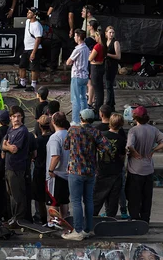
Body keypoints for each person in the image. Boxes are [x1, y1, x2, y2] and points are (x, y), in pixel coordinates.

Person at [61, 108, 109, 240]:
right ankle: (87, 229)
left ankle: (77, 231)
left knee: (76, 201)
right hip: (90, 171)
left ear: (81, 118)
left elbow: (65, 146)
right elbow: (107, 147)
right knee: (88, 200)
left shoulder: (73, 130)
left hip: (75, 171)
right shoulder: (95, 132)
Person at [126, 105, 163, 223]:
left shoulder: (133, 130)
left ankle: (135, 218)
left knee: (134, 197)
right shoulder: (153, 130)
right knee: (147, 197)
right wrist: (154, 150)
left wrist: (134, 153)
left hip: (135, 169)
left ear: (135, 118)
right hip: (148, 168)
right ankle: (146, 219)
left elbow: (130, 145)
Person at [93, 112, 126, 218]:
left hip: (102, 170)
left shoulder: (101, 135)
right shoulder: (121, 140)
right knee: (113, 199)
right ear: (121, 125)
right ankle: (110, 218)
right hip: (116, 171)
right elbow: (122, 156)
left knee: (97, 197)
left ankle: (91, 217)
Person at [2, 105, 29, 228]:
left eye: (18, 116)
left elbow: (13, 149)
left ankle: (19, 220)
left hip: (17, 168)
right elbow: (3, 144)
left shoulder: (22, 131)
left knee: (18, 195)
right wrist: (6, 147)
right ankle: (13, 218)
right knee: (11, 194)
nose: (16, 119)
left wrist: (6, 147)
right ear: (10, 118)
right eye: (14, 116)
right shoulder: (10, 130)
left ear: (22, 117)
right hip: (8, 167)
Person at [47, 0, 78, 71]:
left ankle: (53, 66)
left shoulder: (56, 0)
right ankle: (68, 64)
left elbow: (48, 12)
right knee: (69, 45)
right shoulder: (71, 3)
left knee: (55, 47)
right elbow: (70, 17)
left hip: (54, 27)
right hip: (64, 27)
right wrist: (71, 28)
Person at [16, 7, 43, 92]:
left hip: (34, 48)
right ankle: (22, 83)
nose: (28, 13)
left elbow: (38, 39)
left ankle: (33, 85)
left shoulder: (37, 25)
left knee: (33, 68)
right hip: (26, 48)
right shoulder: (27, 22)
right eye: (28, 12)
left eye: (30, 12)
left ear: (34, 15)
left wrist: (33, 53)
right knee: (22, 65)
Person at [67, 30, 89, 125]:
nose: (74, 38)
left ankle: (75, 120)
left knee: (75, 99)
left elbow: (68, 62)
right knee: (83, 98)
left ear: (79, 37)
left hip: (77, 76)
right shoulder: (86, 48)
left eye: (75, 36)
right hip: (85, 76)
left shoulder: (78, 49)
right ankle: (86, 118)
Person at [89, 30, 106, 112]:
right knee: (100, 89)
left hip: (95, 67)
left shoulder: (97, 46)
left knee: (97, 89)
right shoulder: (104, 46)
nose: (95, 38)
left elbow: (90, 58)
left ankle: (97, 108)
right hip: (101, 66)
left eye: (96, 36)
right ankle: (99, 106)